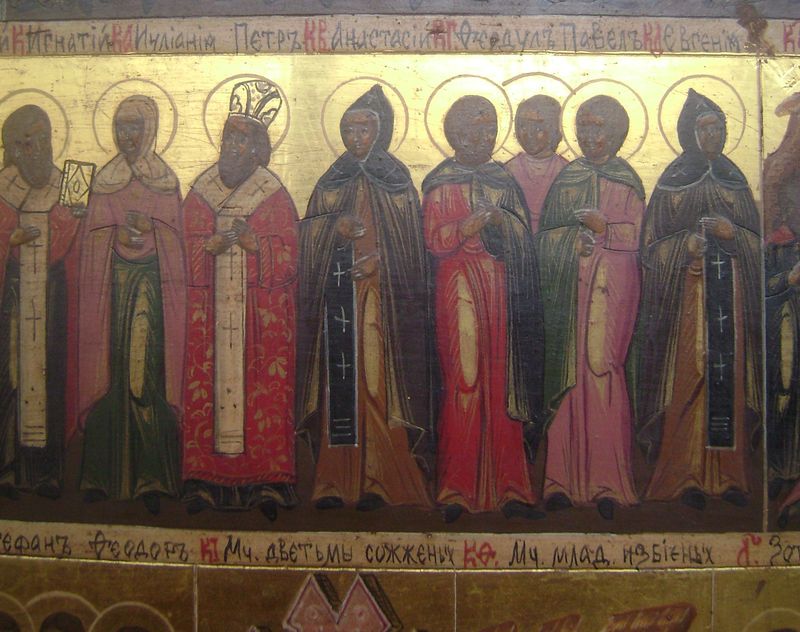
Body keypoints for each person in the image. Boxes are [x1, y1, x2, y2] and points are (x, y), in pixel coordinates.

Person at [296, 85, 434, 511]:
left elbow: (413, 250)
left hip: (382, 301)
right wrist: (333, 226)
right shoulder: (330, 181)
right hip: (338, 298)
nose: (356, 138)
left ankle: (381, 479)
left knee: (377, 384)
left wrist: (380, 261)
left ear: (381, 131)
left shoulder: (397, 181)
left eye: (364, 129)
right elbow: (309, 237)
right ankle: (334, 482)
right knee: (339, 388)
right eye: (349, 129)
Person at [635, 89, 761, 510]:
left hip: (730, 296)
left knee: (728, 382)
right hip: (685, 300)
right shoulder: (672, 181)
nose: (714, 135)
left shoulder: (735, 179)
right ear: (689, 133)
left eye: (719, 127)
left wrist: (734, 234)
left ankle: (730, 476)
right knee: (689, 380)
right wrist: (685, 245)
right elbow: (650, 249)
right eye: (705, 128)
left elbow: (758, 245)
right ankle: (683, 474)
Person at [422, 95, 544, 523]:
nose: (484, 137)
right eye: (475, 129)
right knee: (466, 378)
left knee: (501, 380)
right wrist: (465, 226)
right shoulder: (441, 182)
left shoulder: (502, 180)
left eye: (490, 129)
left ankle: (511, 488)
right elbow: (433, 240)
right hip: (457, 283)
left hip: (500, 285)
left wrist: (500, 222)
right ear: (455, 133)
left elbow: (521, 237)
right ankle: (457, 489)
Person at [180, 80, 298, 519]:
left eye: (242, 138)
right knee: (206, 390)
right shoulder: (201, 190)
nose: (232, 145)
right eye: (228, 135)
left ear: (258, 148)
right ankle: (204, 482)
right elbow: (180, 252)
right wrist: (205, 249)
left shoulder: (273, 193)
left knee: (263, 394)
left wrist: (256, 246)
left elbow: (291, 255)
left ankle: (267, 482)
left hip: (258, 322)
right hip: (210, 315)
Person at [536, 95, 644, 520]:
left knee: (603, 371)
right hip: (570, 293)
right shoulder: (568, 178)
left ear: (616, 132)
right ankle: (559, 482)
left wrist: (605, 229)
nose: (589, 135)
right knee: (568, 375)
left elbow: (639, 238)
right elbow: (546, 238)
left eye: (598, 126)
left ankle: (608, 484)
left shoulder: (626, 180)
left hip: (612, 289)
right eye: (583, 127)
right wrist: (571, 243)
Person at [78, 95, 186, 515]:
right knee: (108, 374)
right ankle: (99, 478)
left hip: (149, 288)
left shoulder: (165, 180)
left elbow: (177, 238)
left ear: (150, 129)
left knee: (143, 376)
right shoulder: (105, 179)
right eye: (121, 126)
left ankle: (152, 479)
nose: (127, 135)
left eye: (135, 126)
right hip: (110, 288)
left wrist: (153, 228)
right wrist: (114, 232)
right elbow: (91, 235)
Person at [0, 105, 83, 500]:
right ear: (15, 148)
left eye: (45, 139)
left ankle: (48, 472)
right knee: (11, 375)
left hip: (52, 294)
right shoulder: (3, 187)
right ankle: (7, 467)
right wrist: (9, 241)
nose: (40, 150)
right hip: (12, 294)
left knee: (51, 377)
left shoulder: (67, 184)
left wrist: (76, 220)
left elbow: (75, 244)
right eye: (29, 143)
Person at [505, 95, 568, 233]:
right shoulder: (508, 170)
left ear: (554, 129)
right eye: (523, 126)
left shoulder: (567, 172)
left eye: (538, 127)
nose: (529, 134)